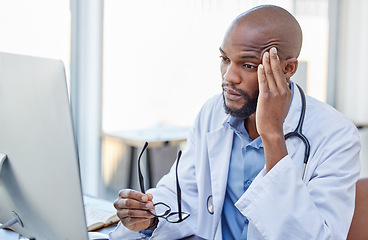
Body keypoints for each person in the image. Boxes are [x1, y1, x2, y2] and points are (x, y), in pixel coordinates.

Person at [110, 5, 360, 240]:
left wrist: (272, 135)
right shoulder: (212, 112)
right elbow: (185, 192)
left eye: (248, 65)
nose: (229, 76)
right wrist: (147, 215)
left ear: (288, 68)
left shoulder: (336, 135)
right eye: (225, 59)